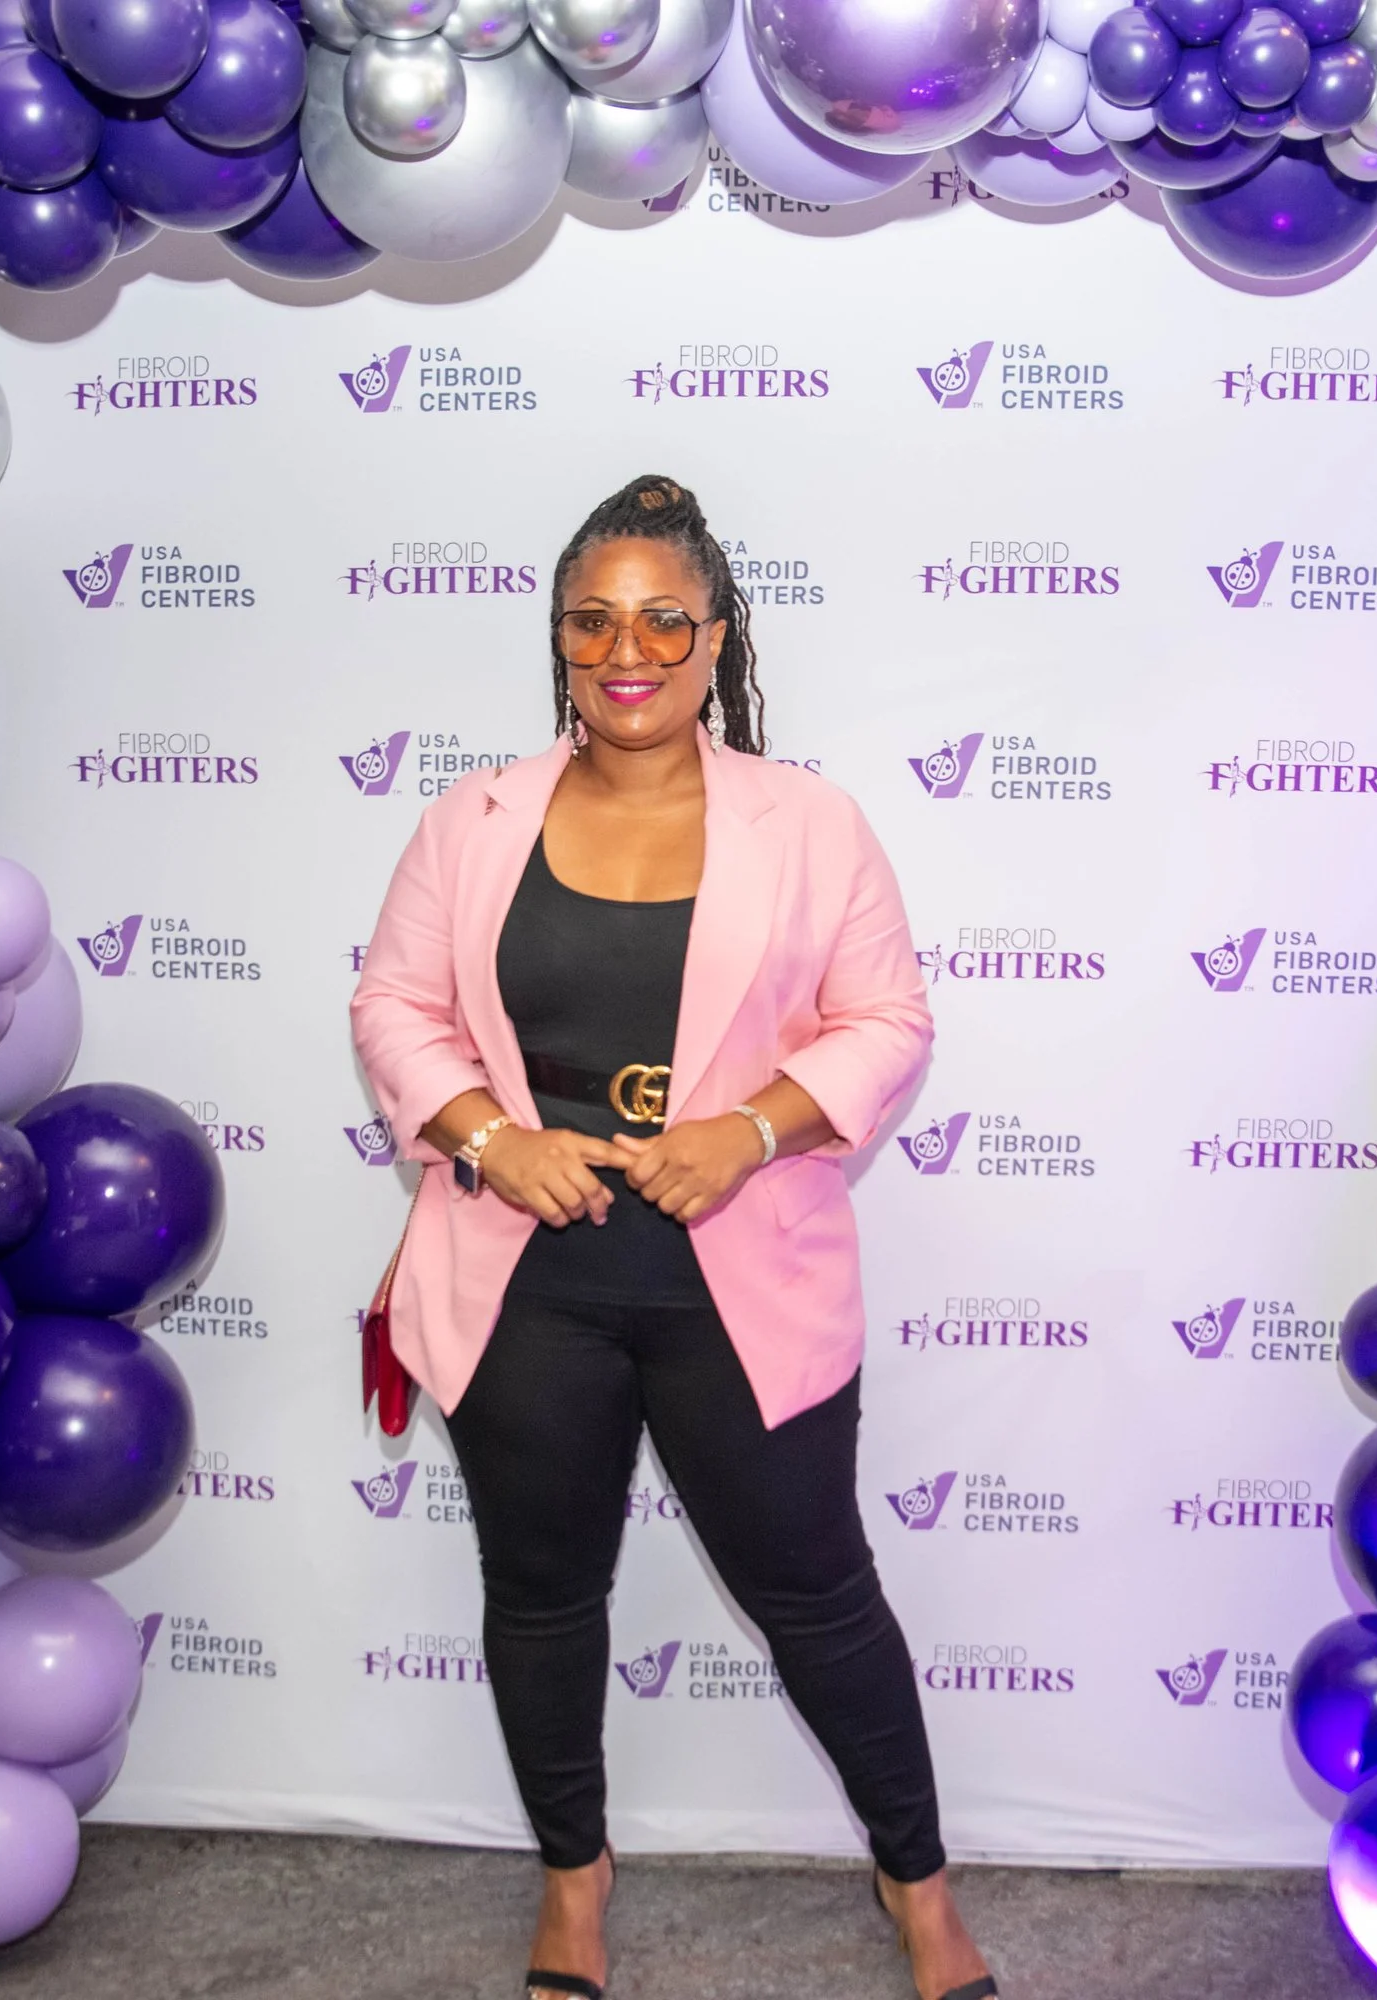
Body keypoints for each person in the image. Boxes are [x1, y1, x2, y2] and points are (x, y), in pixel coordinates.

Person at [350, 475, 996, 2000]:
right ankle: (574, 1885)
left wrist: (751, 1127)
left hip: (740, 1276)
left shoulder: (809, 820)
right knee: (545, 1593)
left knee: (819, 1597)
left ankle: (921, 1887)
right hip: (526, 1280)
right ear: (561, 641)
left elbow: (888, 1020)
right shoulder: (475, 816)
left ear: (716, 639)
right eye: (594, 621)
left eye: (661, 620)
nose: (626, 649)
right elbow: (394, 1005)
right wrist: (494, 1142)